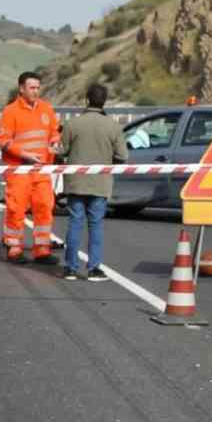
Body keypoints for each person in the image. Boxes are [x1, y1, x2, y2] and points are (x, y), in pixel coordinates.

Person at [55, 82, 126, 282]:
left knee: (75, 223)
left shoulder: (72, 124)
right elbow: (123, 155)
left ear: (87, 99)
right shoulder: (113, 126)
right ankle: (94, 268)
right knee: (95, 225)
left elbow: (61, 152)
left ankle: (70, 268)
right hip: (101, 183)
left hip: (76, 183)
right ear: (105, 101)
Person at [0, 70, 61, 264]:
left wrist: (55, 143)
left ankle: (42, 249)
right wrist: (25, 155)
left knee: (44, 207)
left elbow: (54, 132)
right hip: (19, 170)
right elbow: (3, 140)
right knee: (16, 209)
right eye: (32, 87)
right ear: (21, 88)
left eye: (38, 87)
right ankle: (14, 247)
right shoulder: (10, 111)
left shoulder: (46, 109)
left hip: (42, 170)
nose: (35, 91)